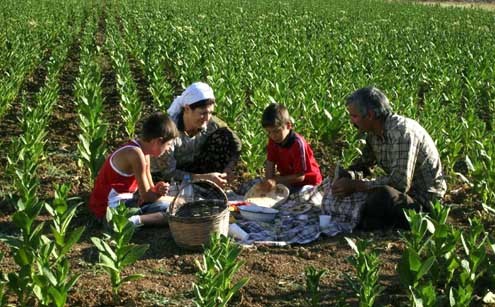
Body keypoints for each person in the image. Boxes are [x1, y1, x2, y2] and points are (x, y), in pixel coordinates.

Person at [331, 86, 447, 230]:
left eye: (354, 116)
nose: (351, 121)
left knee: (382, 195)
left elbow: (400, 183)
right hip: (403, 196)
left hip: (423, 202)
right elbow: (365, 165)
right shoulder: (373, 133)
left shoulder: (402, 133)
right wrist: (347, 176)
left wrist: (355, 185)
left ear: (370, 115)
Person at [89, 112, 179, 226]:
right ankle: (130, 222)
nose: (169, 149)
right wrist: (171, 198)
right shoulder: (134, 154)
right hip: (108, 210)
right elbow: (147, 197)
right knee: (174, 212)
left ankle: (134, 220)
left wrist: (158, 189)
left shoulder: (144, 153)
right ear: (157, 141)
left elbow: (150, 190)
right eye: (168, 144)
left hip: (126, 203)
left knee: (174, 207)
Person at [151, 82, 241, 187]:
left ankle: (212, 185)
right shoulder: (169, 131)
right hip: (168, 177)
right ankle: (203, 184)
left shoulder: (211, 123)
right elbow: (168, 173)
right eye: (202, 113)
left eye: (211, 113)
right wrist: (204, 178)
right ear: (187, 109)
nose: (207, 118)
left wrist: (228, 169)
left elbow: (235, 142)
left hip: (195, 168)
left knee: (223, 136)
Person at [260, 103, 322, 194]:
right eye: (269, 132)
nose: (272, 135)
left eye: (276, 131)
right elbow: (270, 162)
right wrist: (269, 180)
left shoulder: (297, 144)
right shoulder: (273, 141)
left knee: (300, 199)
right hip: (287, 180)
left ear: (288, 125)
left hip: (307, 183)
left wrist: (275, 180)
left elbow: (300, 177)